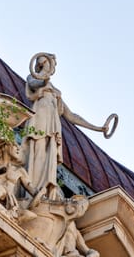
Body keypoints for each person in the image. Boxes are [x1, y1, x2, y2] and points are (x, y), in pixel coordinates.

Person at [22, 54, 107, 200]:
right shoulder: (35, 78)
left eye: (53, 64)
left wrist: (98, 128)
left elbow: (72, 116)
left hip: (53, 124)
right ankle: (32, 189)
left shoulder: (54, 91)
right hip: (40, 119)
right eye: (51, 63)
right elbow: (34, 84)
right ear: (42, 62)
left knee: (49, 155)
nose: (53, 66)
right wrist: (45, 77)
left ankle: (44, 191)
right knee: (38, 150)